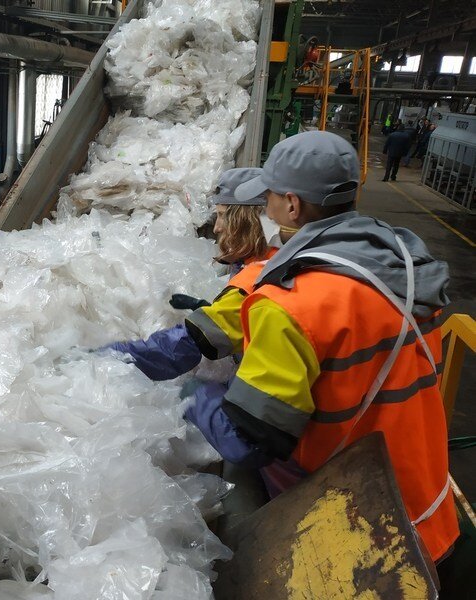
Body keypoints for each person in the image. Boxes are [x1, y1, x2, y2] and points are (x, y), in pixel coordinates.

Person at [185, 131, 458, 563]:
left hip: (355, 526)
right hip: (426, 507)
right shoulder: (404, 264)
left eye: (269, 198)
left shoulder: (290, 303)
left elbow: (248, 442)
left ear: (291, 206)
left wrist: (201, 401)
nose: (265, 209)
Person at [105, 167, 280, 380]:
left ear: (245, 220)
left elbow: (181, 348)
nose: (216, 228)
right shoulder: (272, 256)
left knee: (193, 395)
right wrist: (208, 310)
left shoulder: (257, 277)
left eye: (223, 216)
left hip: (265, 397)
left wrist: (112, 356)